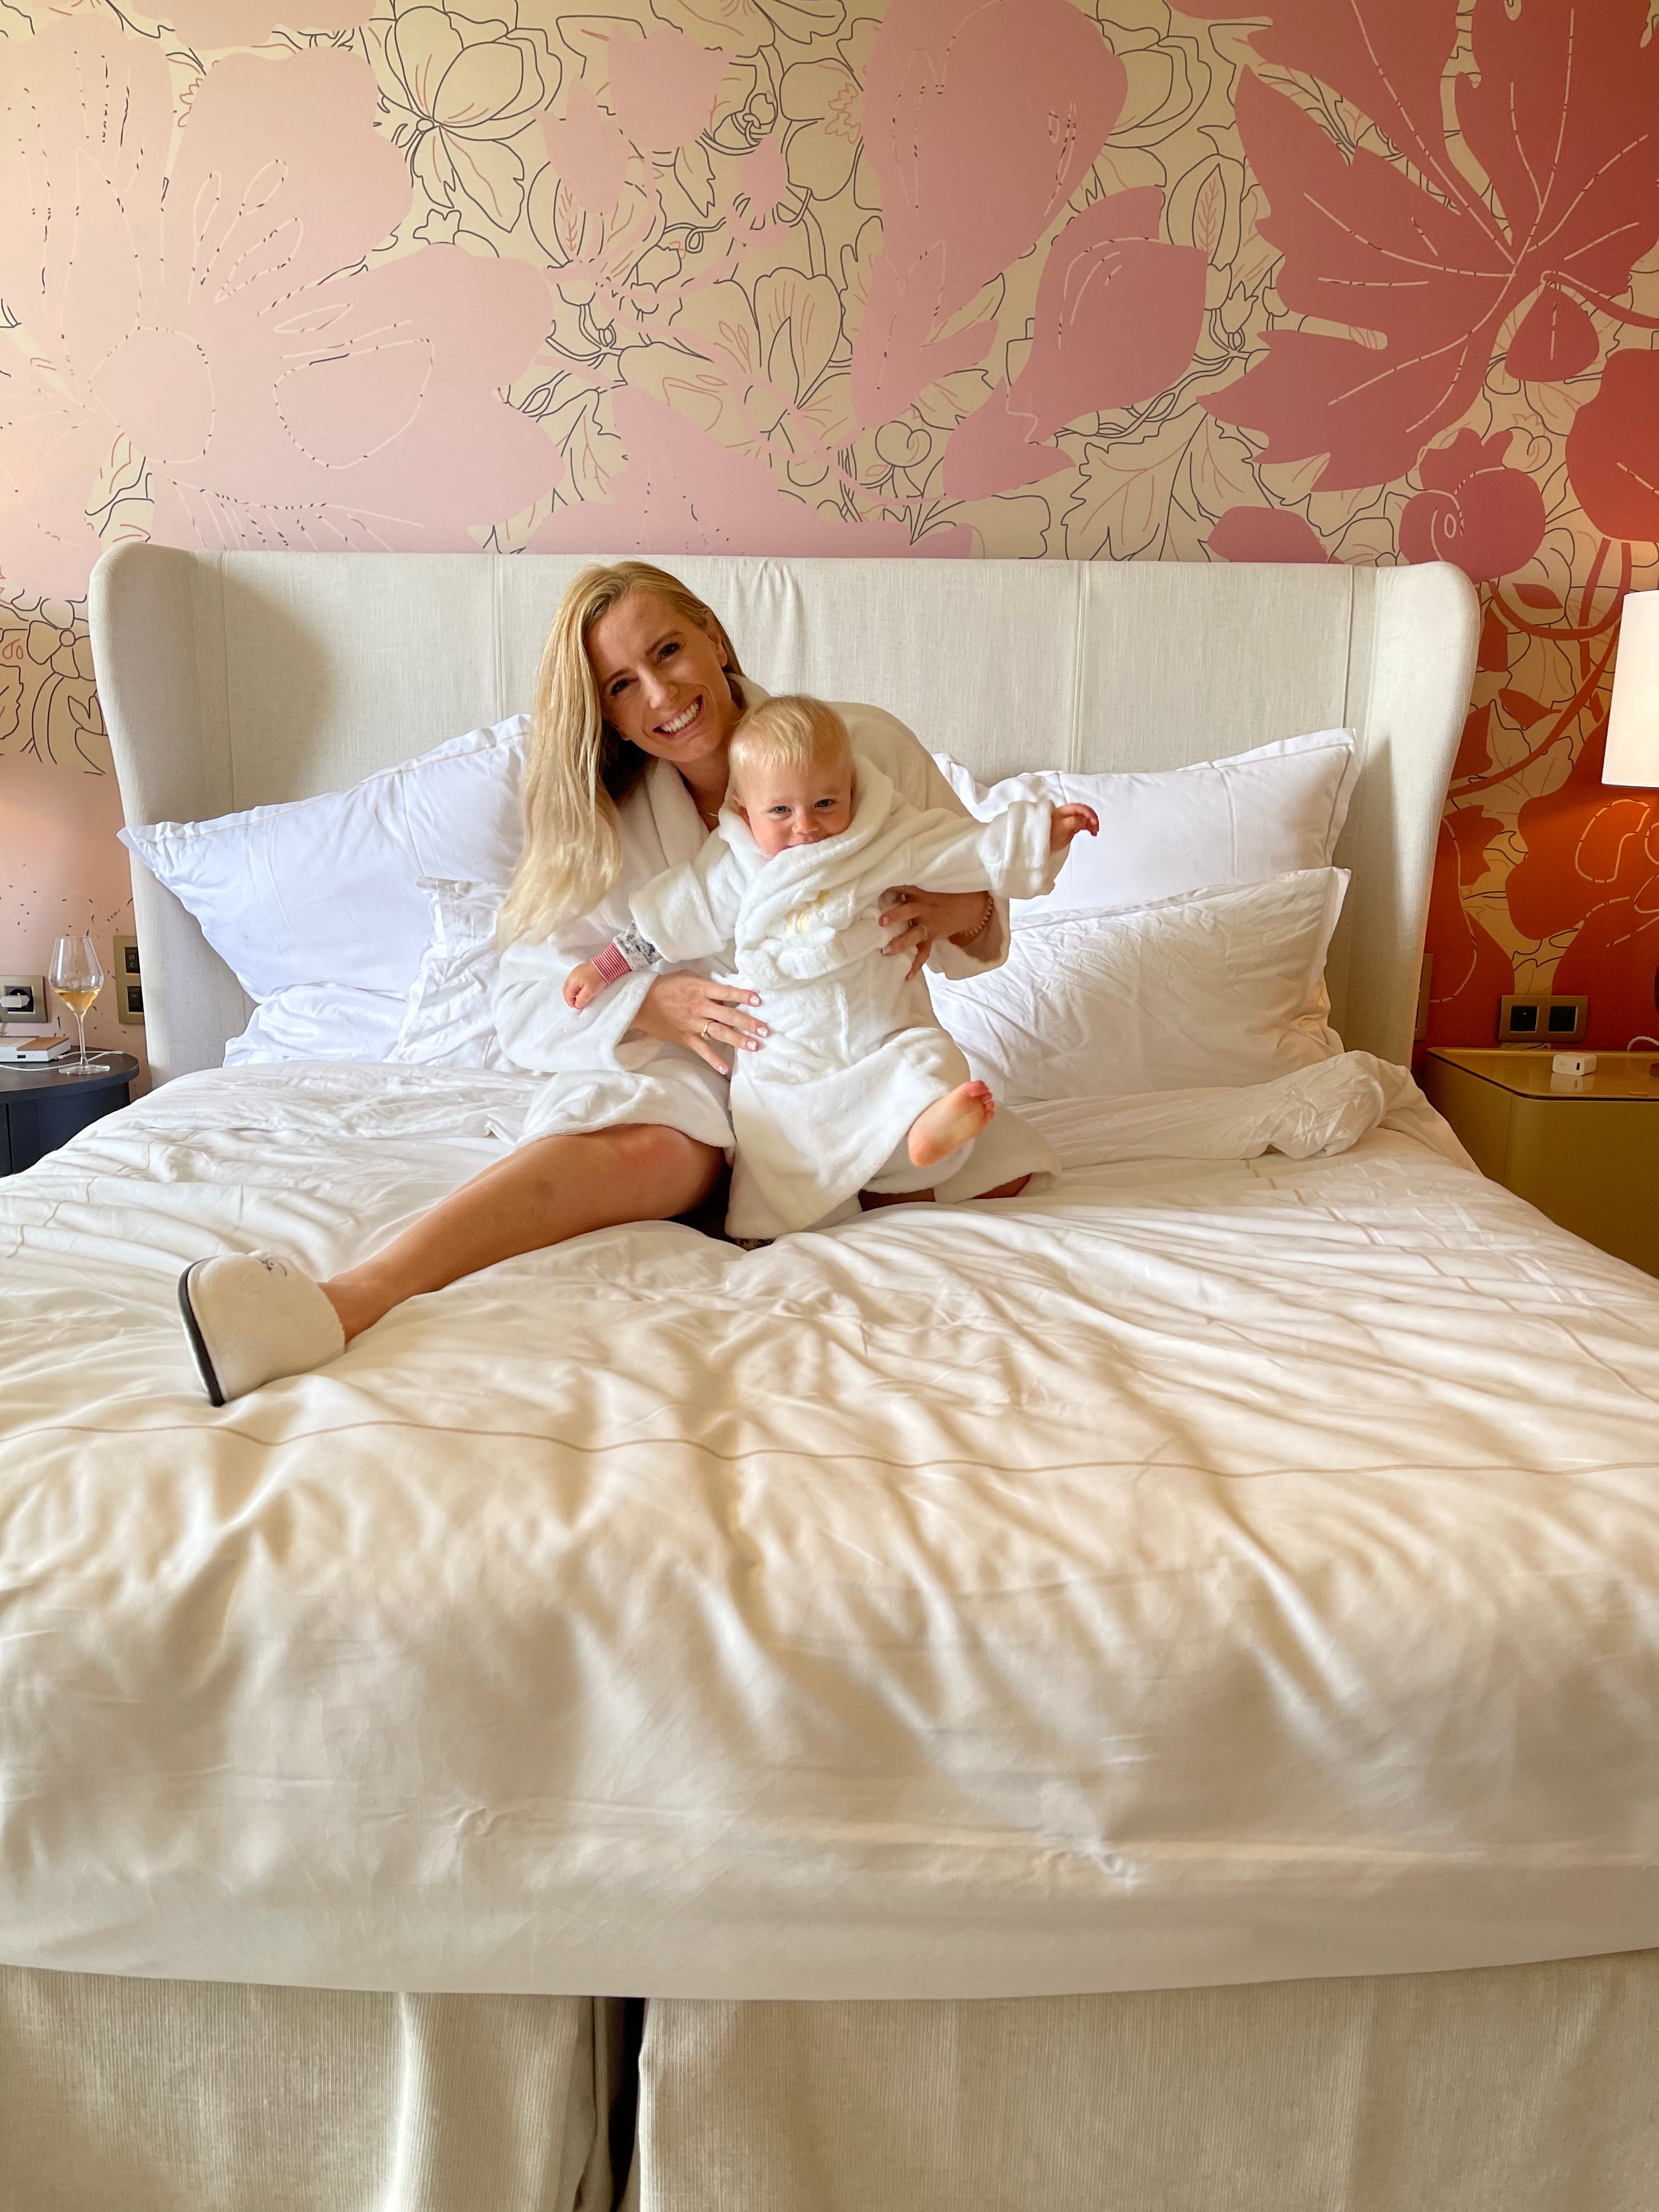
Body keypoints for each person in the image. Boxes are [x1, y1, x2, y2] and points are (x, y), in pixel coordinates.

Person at [176, 560, 1064, 1404]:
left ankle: (841, 1175)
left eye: (668, 651)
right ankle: (345, 1301)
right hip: (697, 1066)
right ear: (605, 713)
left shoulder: (858, 743)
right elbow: (528, 997)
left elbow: (978, 888)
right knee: (647, 1145)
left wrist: (954, 912)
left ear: (713, 635)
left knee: (969, 1157)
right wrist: (650, 1004)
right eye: (621, 685)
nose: (661, 695)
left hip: (851, 1043)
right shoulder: (606, 817)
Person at [563, 694, 1098, 1240]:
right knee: (773, 1122)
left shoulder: (880, 836)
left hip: (880, 1028)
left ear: (850, 790)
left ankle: (926, 1136)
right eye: (781, 812)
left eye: (825, 803)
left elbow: (967, 849)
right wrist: (603, 968)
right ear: (745, 811)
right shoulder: (734, 866)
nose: (807, 827)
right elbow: (668, 921)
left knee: (926, 1061)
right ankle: (792, 1214)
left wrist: (1041, 832)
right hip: (789, 1045)